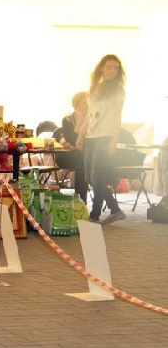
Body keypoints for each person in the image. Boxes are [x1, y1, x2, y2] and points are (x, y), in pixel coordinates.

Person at [77, 54, 126, 225]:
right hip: (91, 135)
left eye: (115, 68)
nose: (112, 70)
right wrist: (81, 136)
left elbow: (118, 117)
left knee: (96, 176)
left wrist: (114, 139)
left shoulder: (117, 90)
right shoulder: (95, 89)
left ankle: (95, 214)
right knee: (89, 177)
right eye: (109, 67)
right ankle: (115, 209)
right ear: (102, 68)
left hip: (105, 137)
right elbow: (90, 116)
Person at [54, 91, 88, 202]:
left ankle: (80, 200)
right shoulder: (67, 119)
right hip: (68, 155)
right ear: (77, 104)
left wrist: (78, 146)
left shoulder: (92, 119)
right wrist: (79, 124)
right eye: (84, 102)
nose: (87, 104)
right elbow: (71, 139)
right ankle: (81, 200)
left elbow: (90, 140)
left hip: (85, 153)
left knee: (83, 164)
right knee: (82, 163)